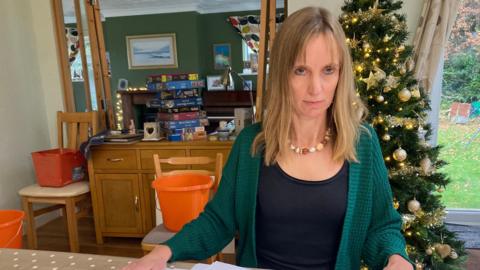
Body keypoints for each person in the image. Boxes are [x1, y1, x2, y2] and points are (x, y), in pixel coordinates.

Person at [123, 6, 413, 270]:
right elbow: (218, 221)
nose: (316, 88)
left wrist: (396, 258)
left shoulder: (363, 143)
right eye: (300, 70)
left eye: (328, 70)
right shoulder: (252, 144)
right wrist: (163, 252)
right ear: (282, 75)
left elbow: (381, 226)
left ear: (341, 74)